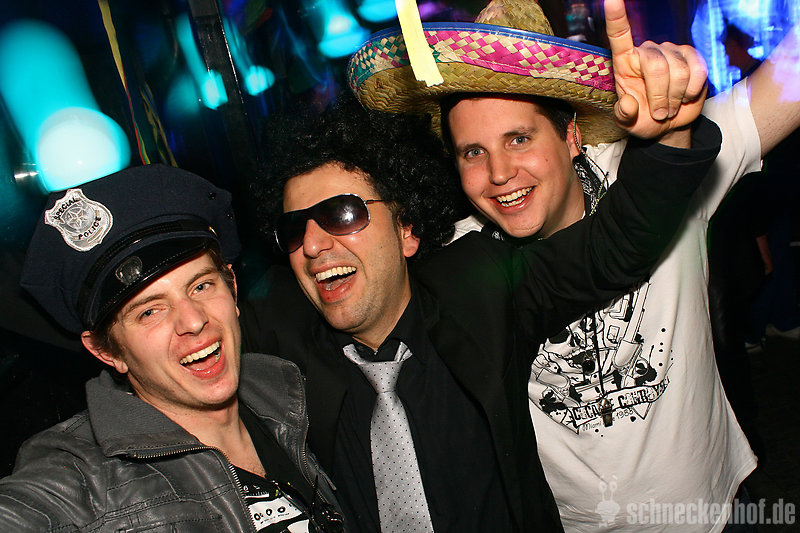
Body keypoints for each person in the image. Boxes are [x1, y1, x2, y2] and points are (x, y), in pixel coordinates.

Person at [347, 0, 800, 530]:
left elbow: (790, 78)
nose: (499, 173)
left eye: (519, 138)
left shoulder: (659, 168)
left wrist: (675, 99)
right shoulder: (458, 255)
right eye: (473, 152)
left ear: (571, 135)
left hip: (711, 511)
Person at [241, 43, 721, 529]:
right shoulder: (279, 348)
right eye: (294, 230)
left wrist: (669, 135)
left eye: (342, 214)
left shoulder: (479, 289)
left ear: (406, 229)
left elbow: (615, 246)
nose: (313, 245)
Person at [0, 164, 344, 532]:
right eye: (150, 311)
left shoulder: (294, 398)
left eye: (201, 286)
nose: (193, 321)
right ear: (107, 351)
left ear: (232, 288)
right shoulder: (85, 482)